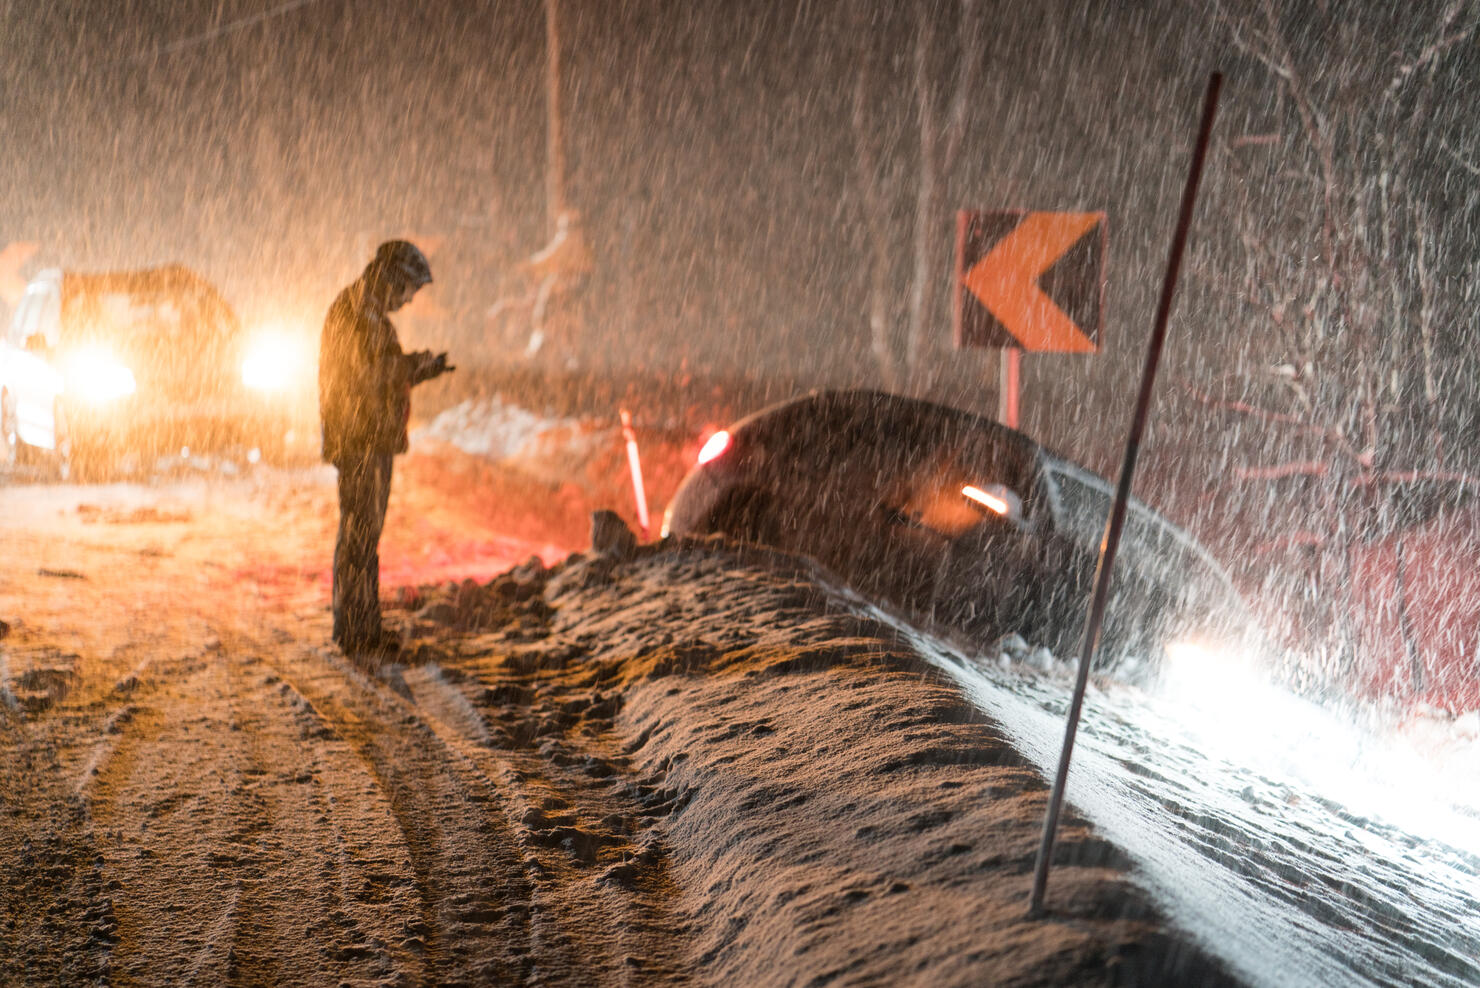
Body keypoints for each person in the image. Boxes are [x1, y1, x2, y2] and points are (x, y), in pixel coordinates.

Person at [319, 240, 452, 657]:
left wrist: (414, 369)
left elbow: (375, 371)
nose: (409, 300)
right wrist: (416, 367)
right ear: (392, 278)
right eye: (409, 289)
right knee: (360, 536)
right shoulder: (357, 311)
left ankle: (362, 628)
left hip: (367, 438)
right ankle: (357, 632)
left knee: (364, 536)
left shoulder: (365, 310)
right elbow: (370, 374)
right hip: (360, 440)